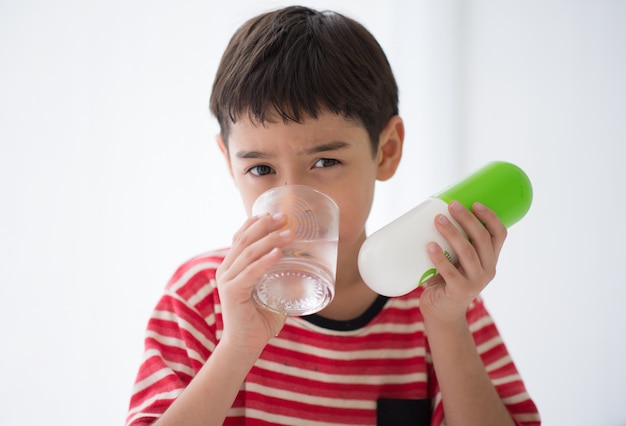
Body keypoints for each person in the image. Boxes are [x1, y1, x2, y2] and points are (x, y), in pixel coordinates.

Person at [126, 5, 540, 426]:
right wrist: (237, 347)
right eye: (261, 169)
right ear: (230, 164)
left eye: (325, 162)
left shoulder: (443, 297)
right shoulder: (202, 298)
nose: (292, 202)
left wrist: (447, 324)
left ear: (387, 150)